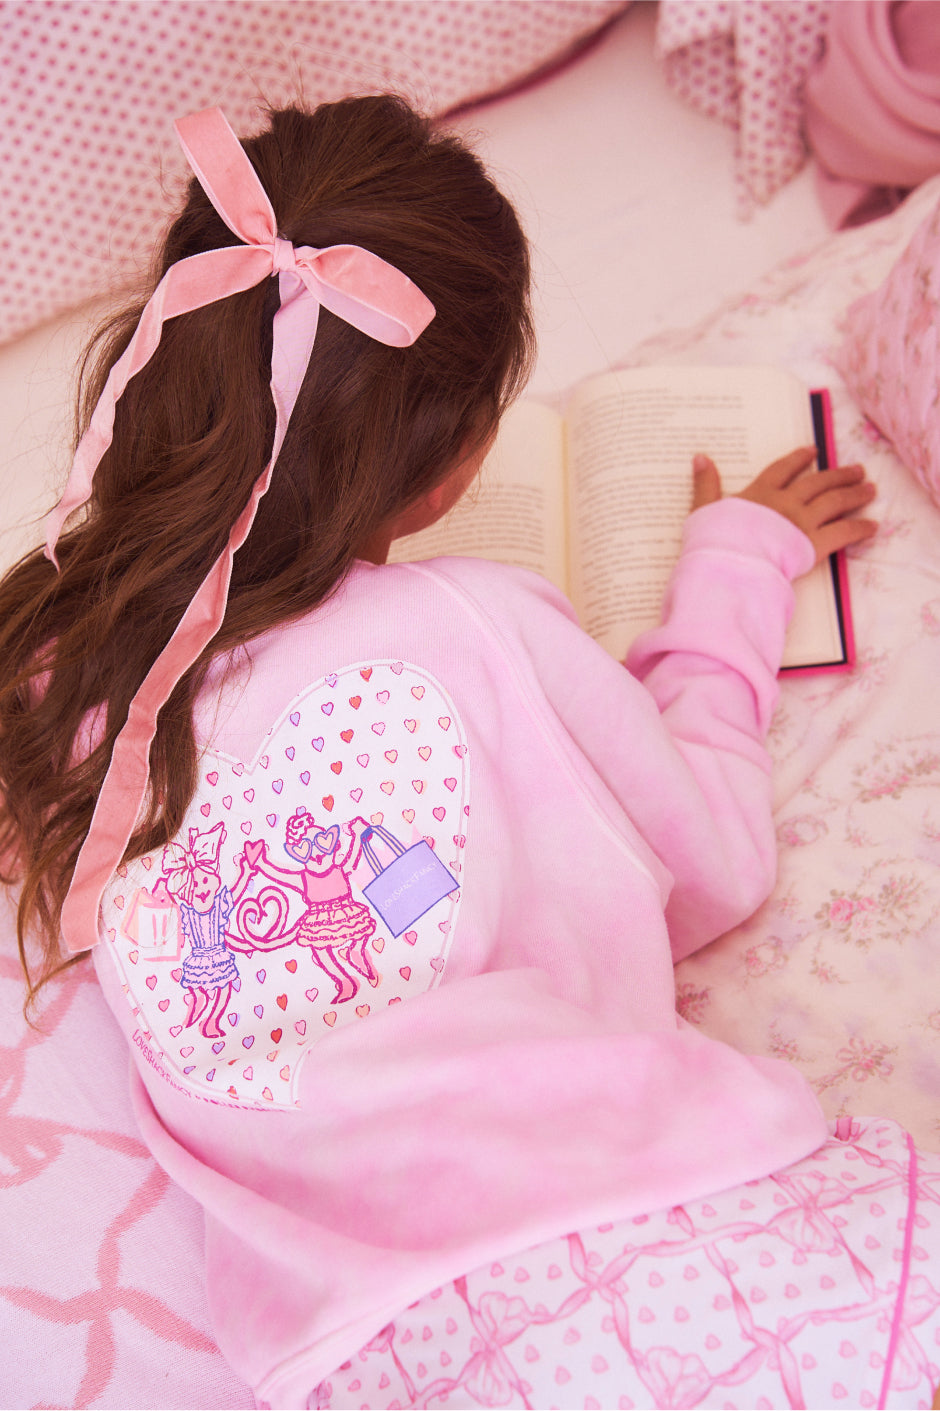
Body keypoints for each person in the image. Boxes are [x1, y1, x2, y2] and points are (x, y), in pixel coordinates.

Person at [0, 96, 937, 1411]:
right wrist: (734, 569)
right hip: (651, 1211)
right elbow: (711, 861)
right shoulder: (477, 626)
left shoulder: (56, 666)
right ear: (452, 468)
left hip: (362, 1351)